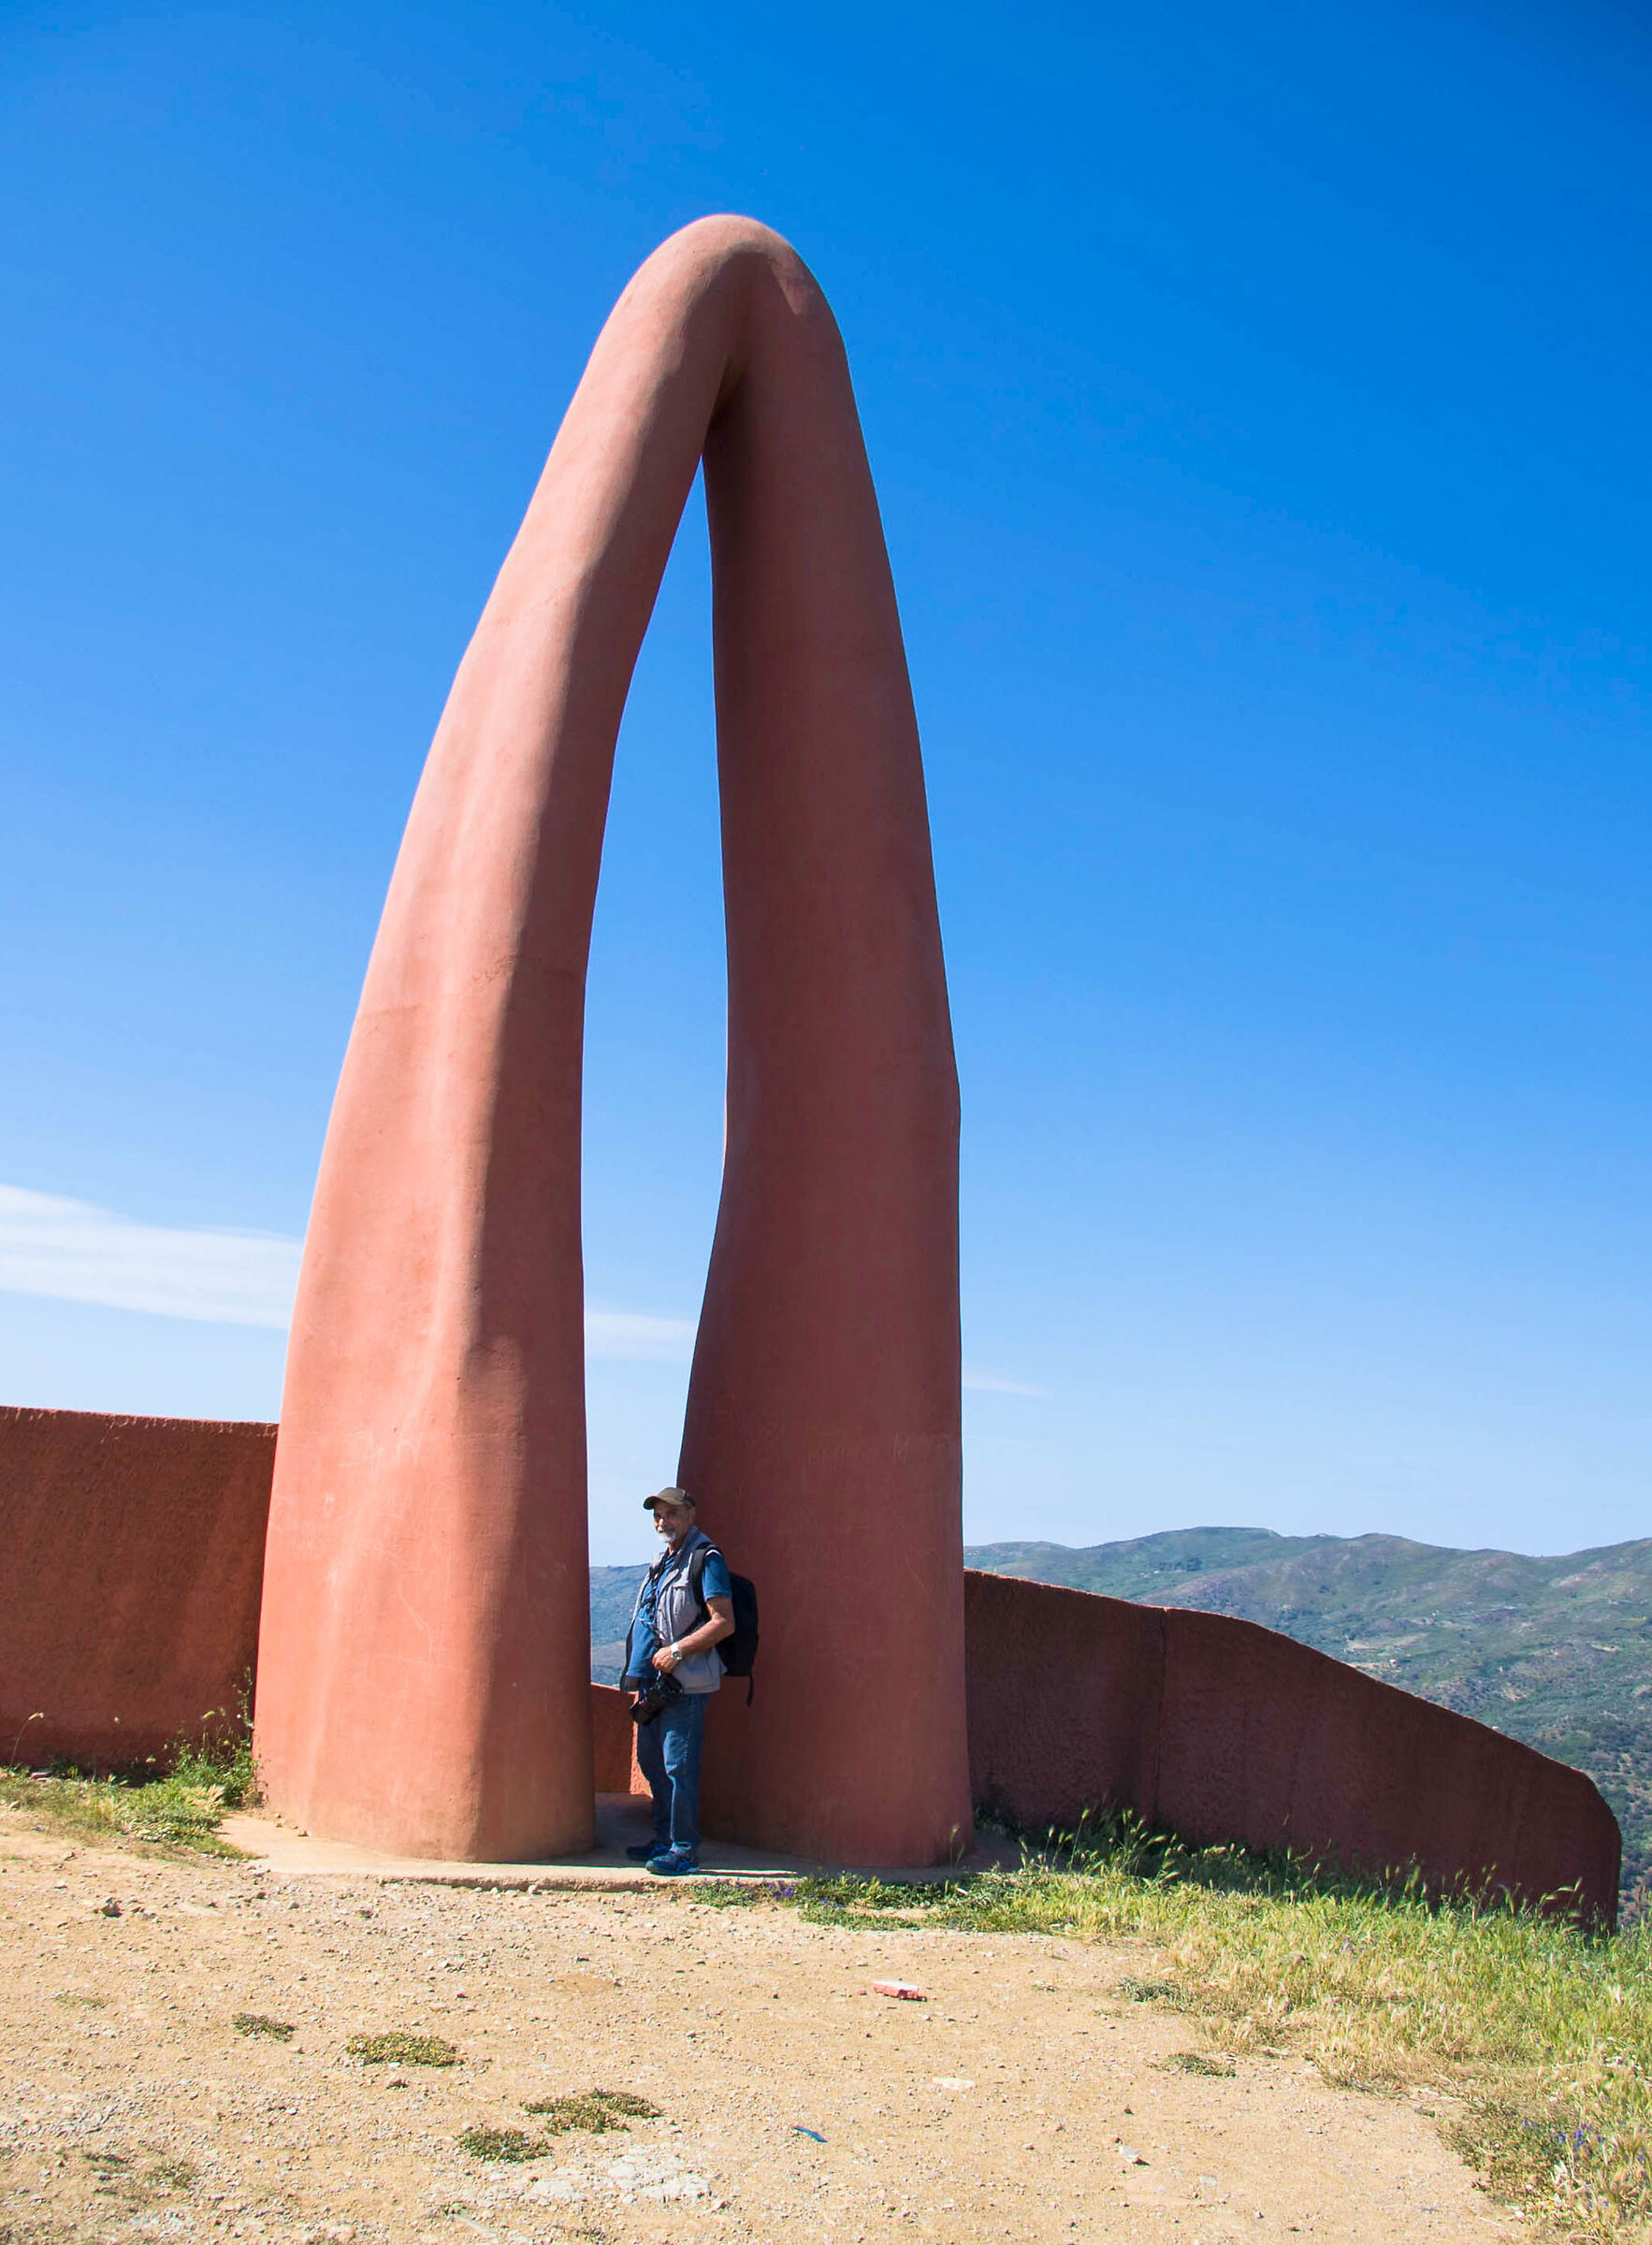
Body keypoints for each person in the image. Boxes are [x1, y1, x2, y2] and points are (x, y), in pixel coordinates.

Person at [621, 1486, 734, 1876]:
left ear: (690, 1515)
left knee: (678, 1767)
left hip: (686, 1683)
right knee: (650, 1761)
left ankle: (684, 1849)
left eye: (670, 1513)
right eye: (657, 1515)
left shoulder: (707, 1559)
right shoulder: (662, 1561)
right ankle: (663, 1840)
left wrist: (678, 1652)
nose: (662, 1521)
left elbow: (723, 1621)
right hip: (656, 1683)